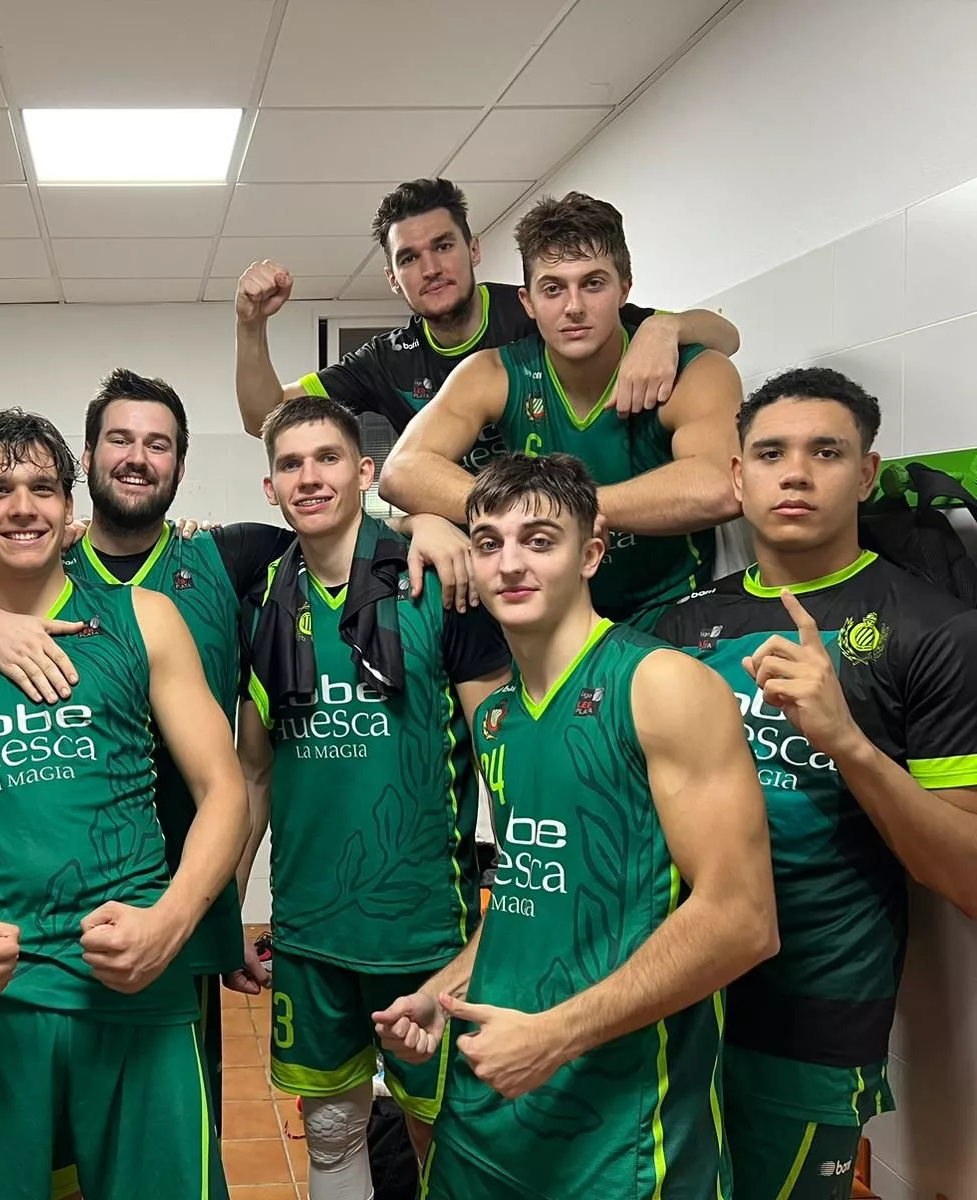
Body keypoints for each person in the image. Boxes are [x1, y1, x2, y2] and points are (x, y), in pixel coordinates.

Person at [0, 409, 249, 1200]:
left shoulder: (142, 618)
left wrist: (169, 924)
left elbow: (224, 790)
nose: (21, 507)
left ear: (72, 511)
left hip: (131, 979)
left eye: (41, 488)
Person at [373, 452, 778, 1200]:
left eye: (539, 539)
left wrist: (558, 1034)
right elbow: (532, 893)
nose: (509, 563)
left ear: (590, 553)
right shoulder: (493, 718)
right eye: (489, 542)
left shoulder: (661, 686)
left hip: (621, 1132)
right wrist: (443, 987)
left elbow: (743, 919)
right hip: (489, 1105)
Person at [655, 368, 977, 1199]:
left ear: (865, 475)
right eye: (770, 453)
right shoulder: (685, 625)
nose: (794, 472)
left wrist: (848, 743)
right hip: (676, 993)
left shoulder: (935, 631)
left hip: (813, 1015)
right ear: (737, 476)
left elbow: (967, 874)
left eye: (825, 452)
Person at [233, 394, 512, 1199]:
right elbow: (255, 772)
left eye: (327, 460)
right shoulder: (261, 603)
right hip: (312, 925)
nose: (309, 478)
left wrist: (512, 886)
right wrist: (230, 900)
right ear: (271, 487)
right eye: (290, 464)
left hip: (425, 927)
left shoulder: (437, 581)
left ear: (363, 474)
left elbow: (504, 755)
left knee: (446, 1134)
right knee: (329, 1129)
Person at [378, 191, 744, 629]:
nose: (573, 307)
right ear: (527, 302)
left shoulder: (692, 367)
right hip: (554, 615)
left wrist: (562, 511)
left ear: (624, 289)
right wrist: (535, 512)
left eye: (592, 283)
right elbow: (401, 470)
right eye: (552, 288)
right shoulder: (496, 371)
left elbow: (722, 485)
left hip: (673, 608)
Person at [233, 176, 740, 446]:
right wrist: (251, 326)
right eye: (409, 258)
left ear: (473, 249)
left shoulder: (542, 307)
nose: (431, 267)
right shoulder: (386, 361)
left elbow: (725, 335)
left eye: (444, 246)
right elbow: (265, 418)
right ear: (392, 278)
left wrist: (665, 327)